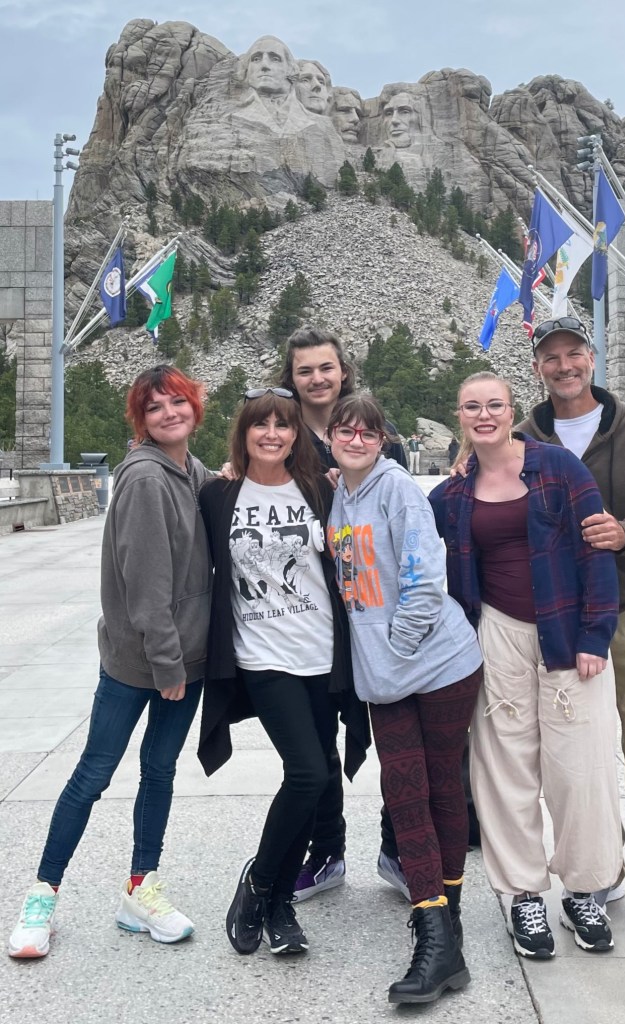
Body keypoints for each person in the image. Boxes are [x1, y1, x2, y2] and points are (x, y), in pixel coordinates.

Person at [8, 365, 212, 958]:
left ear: (194, 407)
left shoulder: (192, 473)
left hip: (187, 660)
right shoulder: (147, 479)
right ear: (141, 421)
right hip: (141, 663)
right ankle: (42, 897)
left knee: (160, 770)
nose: (170, 413)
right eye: (155, 408)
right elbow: (145, 587)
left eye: (178, 402)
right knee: (94, 774)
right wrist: (168, 665)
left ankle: (140, 888)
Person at [431, 370, 623, 959]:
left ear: (513, 410)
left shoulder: (560, 468)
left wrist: (597, 632)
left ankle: (585, 890)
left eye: (495, 405)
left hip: (569, 634)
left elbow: (596, 549)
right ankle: (523, 896)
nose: (483, 415)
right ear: (459, 416)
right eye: (472, 407)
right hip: (497, 635)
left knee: (582, 770)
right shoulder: (452, 495)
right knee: (504, 770)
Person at [518, 316, 625, 942]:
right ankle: (601, 866)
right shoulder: (524, 436)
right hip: (560, 614)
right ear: (537, 367)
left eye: (574, 354)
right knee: (580, 754)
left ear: (592, 359)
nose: (564, 366)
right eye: (551, 357)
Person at [197, 386, 368, 957]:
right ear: (243, 433)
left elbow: (371, 498)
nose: (272, 434)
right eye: (260, 425)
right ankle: (261, 884)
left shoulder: (320, 489)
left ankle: (278, 908)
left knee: (317, 773)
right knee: (308, 775)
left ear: (298, 435)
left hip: (322, 655)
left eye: (284, 425)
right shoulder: (219, 495)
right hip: (264, 658)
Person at [327, 394, 482, 1004]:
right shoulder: (342, 493)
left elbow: (424, 581)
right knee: (406, 791)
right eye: (346, 431)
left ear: (383, 438)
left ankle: (443, 926)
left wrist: (391, 650)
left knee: (441, 785)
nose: (357, 440)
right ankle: (438, 923)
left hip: (440, 664)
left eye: (368, 432)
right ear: (334, 439)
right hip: (388, 676)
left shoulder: (396, 490)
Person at [275, 326, 407, 900]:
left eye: (325, 368)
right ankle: (325, 850)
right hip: (312, 616)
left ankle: (397, 847)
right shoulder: (278, 436)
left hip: (375, 610)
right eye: (305, 370)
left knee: (394, 733)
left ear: (343, 371)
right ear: (293, 377)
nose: (316, 379)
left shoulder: (378, 437)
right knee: (319, 740)